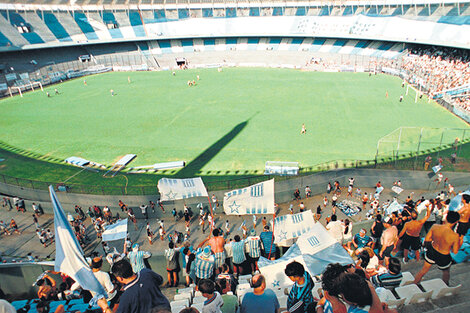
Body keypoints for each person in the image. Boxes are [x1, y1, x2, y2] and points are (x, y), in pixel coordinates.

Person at [98, 259, 170, 313]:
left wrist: (106, 308)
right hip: (166, 309)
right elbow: (160, 280)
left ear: (120, 278)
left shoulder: (126, 296)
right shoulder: (146, 272)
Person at [413, 211, 463, 285]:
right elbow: (455, 251)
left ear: (446, 217)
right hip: (444, 255)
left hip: (432, 250)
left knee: (423, 270)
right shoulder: (455, 236)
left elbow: (427, 240)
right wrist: (460, 241)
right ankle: (446, 287)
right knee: (446, 273)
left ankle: (414, 283)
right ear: (456, 222)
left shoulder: (435, 226)